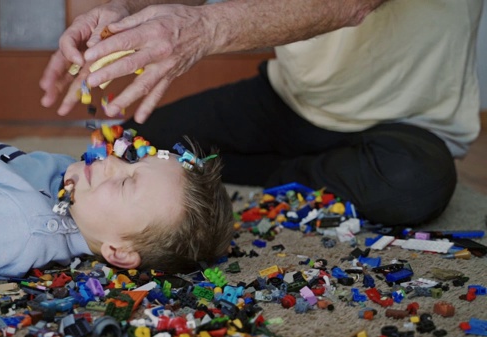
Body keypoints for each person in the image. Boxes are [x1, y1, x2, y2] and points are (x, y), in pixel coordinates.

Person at [40, 0, 484, 226]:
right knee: (140, 144)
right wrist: (123, 13)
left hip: (406, 122)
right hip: (287, 98)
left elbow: (352, 5)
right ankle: (303, 173)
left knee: (410, 187)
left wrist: (205, 28)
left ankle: (269, 171)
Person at [0, 130, 234, 282]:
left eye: (125, 183)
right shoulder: (67, 188)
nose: (112, 163)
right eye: (132, 161)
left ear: (117, 252)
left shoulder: (16, 227)